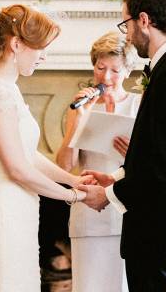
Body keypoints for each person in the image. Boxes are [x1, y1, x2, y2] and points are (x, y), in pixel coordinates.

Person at [78, 0, 166, 292]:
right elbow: (159, 152)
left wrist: (109, 195)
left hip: (158, 232)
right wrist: (117, 176)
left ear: (144, 21)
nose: (126, 33)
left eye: (126, 23)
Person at [0, 4, 95, 292]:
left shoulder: (6, 88)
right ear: (16, 44)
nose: (44, 56)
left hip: (17, 209)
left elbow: (27, 155)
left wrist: (73, 179)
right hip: (3, 213)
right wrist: (72, 196)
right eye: (40, 48)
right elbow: (17, 169)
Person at [56, 31, 140, 292]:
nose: (106, 77)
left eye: (115, 70)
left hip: (127, 211)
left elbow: (153, 165)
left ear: (127, 70)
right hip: (88, 212)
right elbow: (63, 167)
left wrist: (132, 155)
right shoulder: (82, 106)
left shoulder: (140, 105)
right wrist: (77, 124)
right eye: (100, 68)